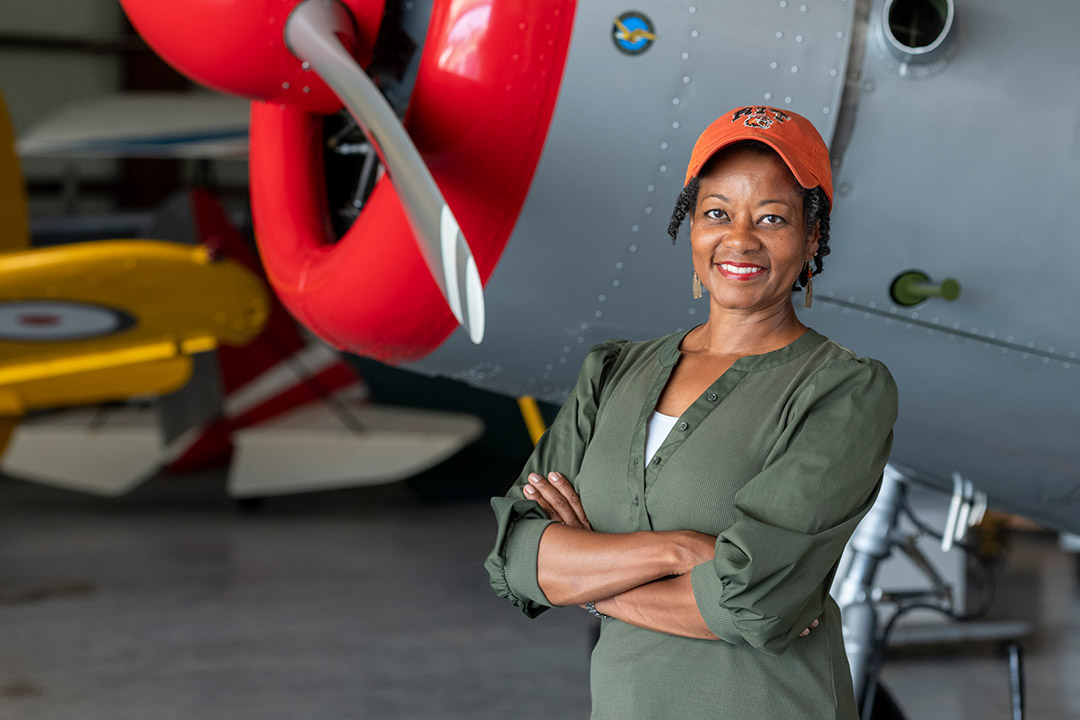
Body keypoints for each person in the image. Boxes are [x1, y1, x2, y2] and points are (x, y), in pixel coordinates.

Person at [484, 105, 897, 719]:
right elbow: (516, 558)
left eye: (773, 218)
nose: (740, 239)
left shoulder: (841, 391)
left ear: (812, 238)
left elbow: (750, 604)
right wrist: (679, 551)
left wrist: (587, 580)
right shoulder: (614, 372)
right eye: (716, 213)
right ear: (691, 226)